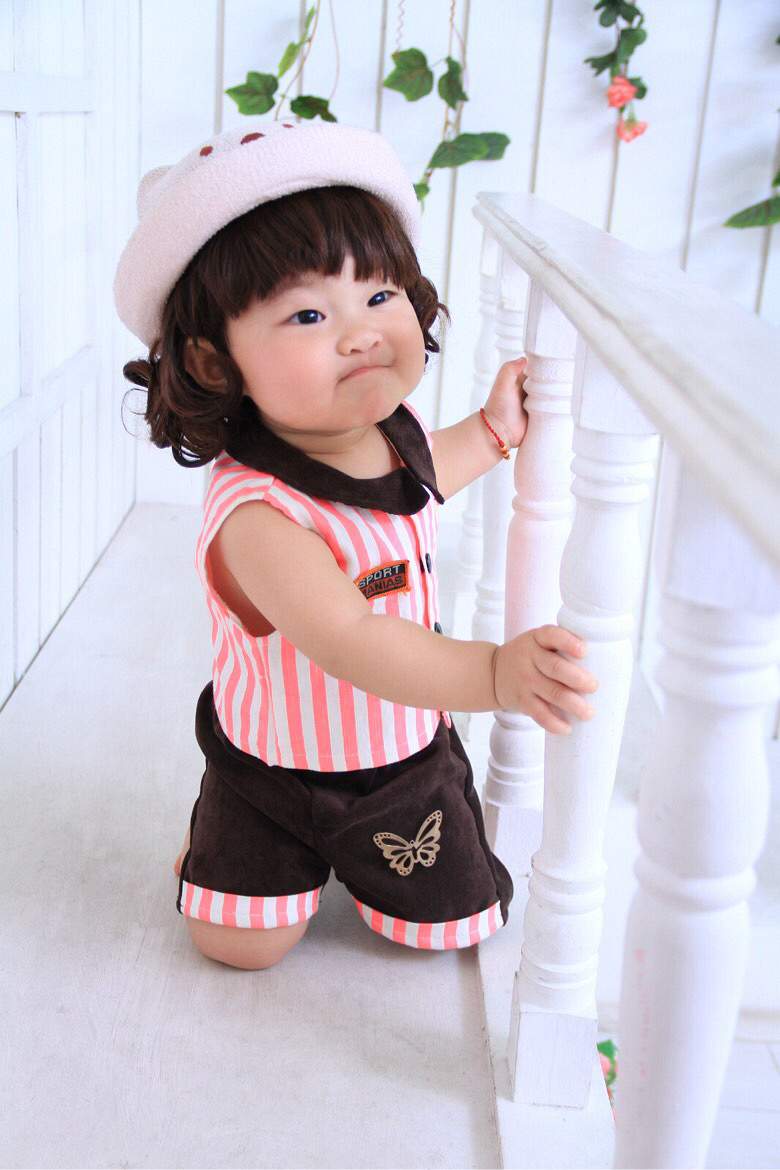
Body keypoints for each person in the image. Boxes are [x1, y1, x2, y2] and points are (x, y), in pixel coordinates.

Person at [115, 120, 598, 972]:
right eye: (308, 313)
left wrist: (491, 433)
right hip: (269, 772)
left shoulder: (389, 429)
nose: (361, 331)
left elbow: (419, 479)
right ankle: (222, 852)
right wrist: (493, 674)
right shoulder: (258, 516)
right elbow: (351, 637)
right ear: (216, 364)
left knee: (449, 931)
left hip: (401, 761)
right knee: (237, 949)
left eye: (379, 295)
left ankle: (375, 870)